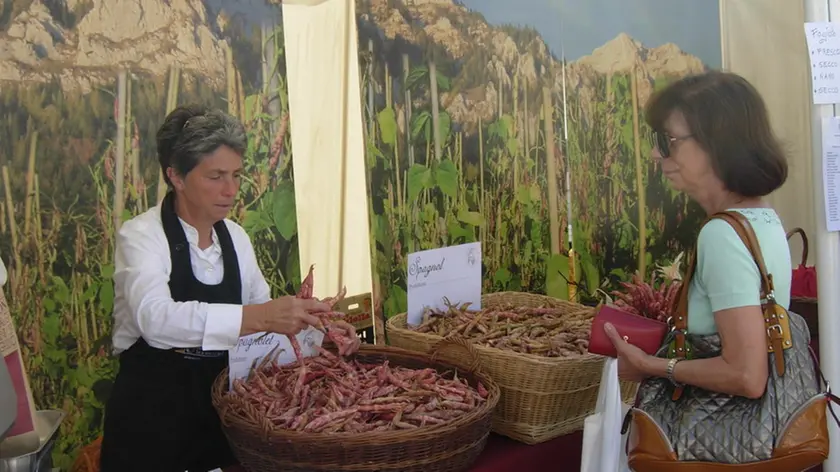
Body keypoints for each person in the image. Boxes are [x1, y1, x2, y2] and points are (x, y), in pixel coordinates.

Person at [99, 105, 361, 472]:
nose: (231, 190)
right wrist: (259, 316)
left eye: (236, 175)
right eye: (216, 176)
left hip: (219, 418)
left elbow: (265, 323)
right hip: (152, 422)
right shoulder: (142, 236)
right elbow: (154, 320)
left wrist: (318, 332)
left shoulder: (235, 238)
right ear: (175, 176)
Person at [605, 71, 790, 398]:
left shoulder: (721, 235)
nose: (656, 154)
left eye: (669, 141)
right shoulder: (761, 218)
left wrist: (651, 366)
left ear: (717, 144)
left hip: (721, 440)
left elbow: (746, 375)